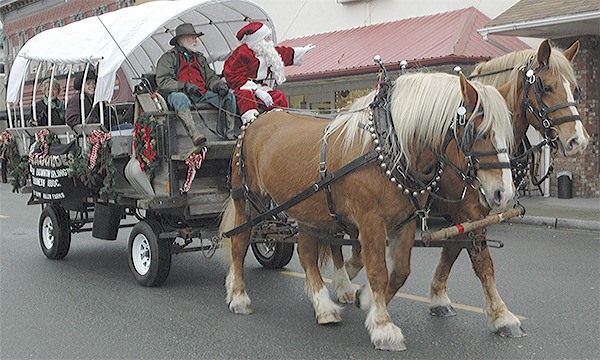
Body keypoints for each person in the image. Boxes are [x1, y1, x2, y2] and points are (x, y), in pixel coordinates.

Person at [156, 23, 237, 145]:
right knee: (180, 98)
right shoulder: (168, 58)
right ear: (182, 40)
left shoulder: (199, 58)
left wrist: (218, 85)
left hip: (201, 93)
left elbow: (210, 77)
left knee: (228, 96)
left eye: (195, 38)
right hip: (179, 93)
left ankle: (229, 134)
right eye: (192, 38)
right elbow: (163, 81)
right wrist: (183, 86)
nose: (196, 41)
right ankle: (195, 134)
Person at [224, 22, 315, 124]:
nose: (270, 41)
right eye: (266, 38)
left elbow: (283, 53)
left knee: (278, 96)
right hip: (242, 87)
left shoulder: (266, 51)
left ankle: (280, 122)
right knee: (247, 97)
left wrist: (302, 51)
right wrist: (256, 91)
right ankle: (251, 124)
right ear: (257, 40)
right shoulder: (242, 52)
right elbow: (234, 77)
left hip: (260, 86)